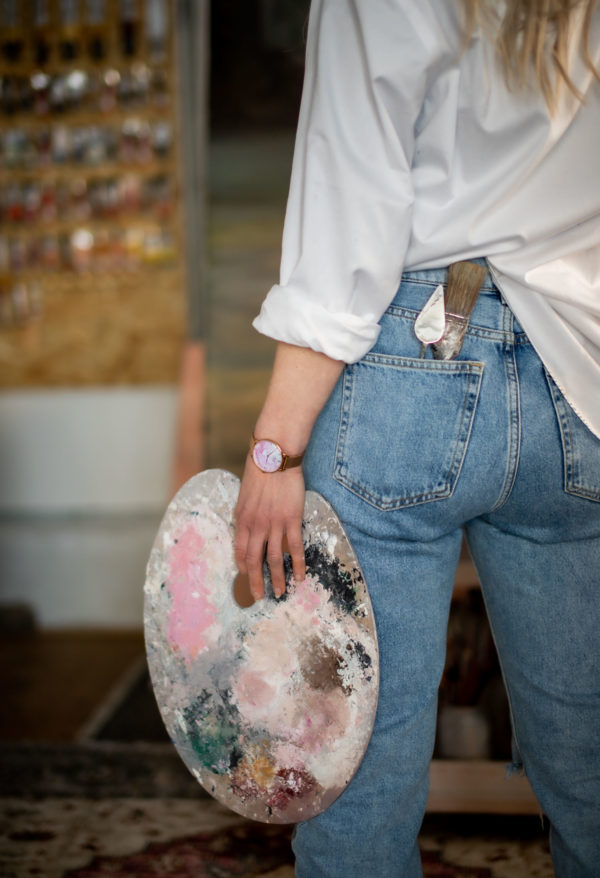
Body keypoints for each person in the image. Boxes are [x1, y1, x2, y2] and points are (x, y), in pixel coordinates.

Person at [233, 1, 600, 875]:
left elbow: (349, 200)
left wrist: (274, 448)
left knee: (356, 761)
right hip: (580, 362)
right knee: (592, 758)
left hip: (409, 362)